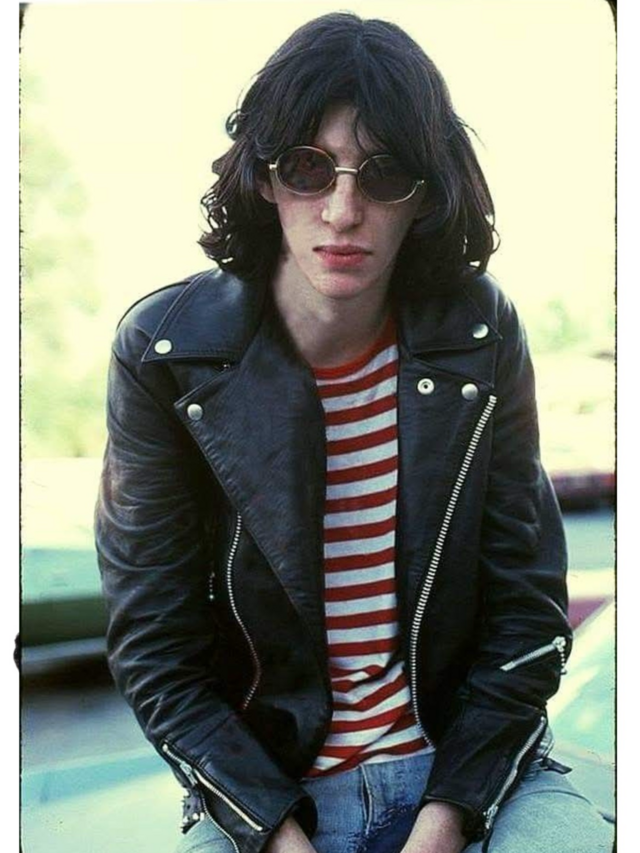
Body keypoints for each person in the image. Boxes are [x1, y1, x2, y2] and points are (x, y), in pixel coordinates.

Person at [95, 12, 613, 853]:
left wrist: (444, 824)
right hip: (268, 799)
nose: (343, 209)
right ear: (265, 179)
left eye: (385, 173)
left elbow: (528, 611)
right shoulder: (168, 353)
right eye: (309, 167)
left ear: (426, 193)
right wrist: (276, 834)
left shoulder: (478, 332)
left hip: (471, 777)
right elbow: (156, 652)